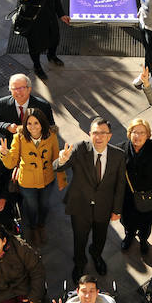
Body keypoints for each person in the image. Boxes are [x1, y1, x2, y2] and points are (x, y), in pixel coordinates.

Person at [54, 117, 125, 280]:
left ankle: (96, 255)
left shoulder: (118, 155)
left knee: (100, 236)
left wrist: (117, 210)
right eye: (95, 133)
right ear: (89, 134)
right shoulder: (80, 149)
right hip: (80, 206)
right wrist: (62, 159)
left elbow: (120, 185)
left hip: (104, 207)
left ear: (110, 136)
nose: (98, 137)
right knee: (79, 238)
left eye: (103, 133)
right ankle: (79, 263)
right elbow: (57, 167)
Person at [0, 108, 65, 246]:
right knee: (32, 206)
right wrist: (5, 153)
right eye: (29, 123)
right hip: (27, 182)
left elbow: (56, 158)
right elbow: (11, 163)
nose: (33, 127)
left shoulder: (51, 136)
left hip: (47, 179)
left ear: (42, 123)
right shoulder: (19, 137)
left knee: (45, 204)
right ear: (25, 124)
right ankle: (34, 228)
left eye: (36, 123)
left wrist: (61, 178)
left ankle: (41, 225)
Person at [120, 119, 152, 256]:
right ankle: (129, 236)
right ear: (129, 133)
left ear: (148, 134)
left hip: (149, 195)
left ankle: (143, 240)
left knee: (146, 223)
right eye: (134, 132)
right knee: (128, 221)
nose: (138, 136)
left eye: (142, 132)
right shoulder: (121, 149)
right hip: (129, 196)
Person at [17, 0, 70, 80]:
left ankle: (51, 56)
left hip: (50, 16)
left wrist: (61, 14)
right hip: (35, 19)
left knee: (55, 38)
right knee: (35, 46)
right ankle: (37, 66)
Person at [0, 74, 55, 140]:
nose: (18, 92)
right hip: (14, 145)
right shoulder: (2, 104)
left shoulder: (43, 106)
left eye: (22, 88)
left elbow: (51, 127)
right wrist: (7, 126)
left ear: (29, 89)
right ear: (10, 90)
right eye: (14, 88)